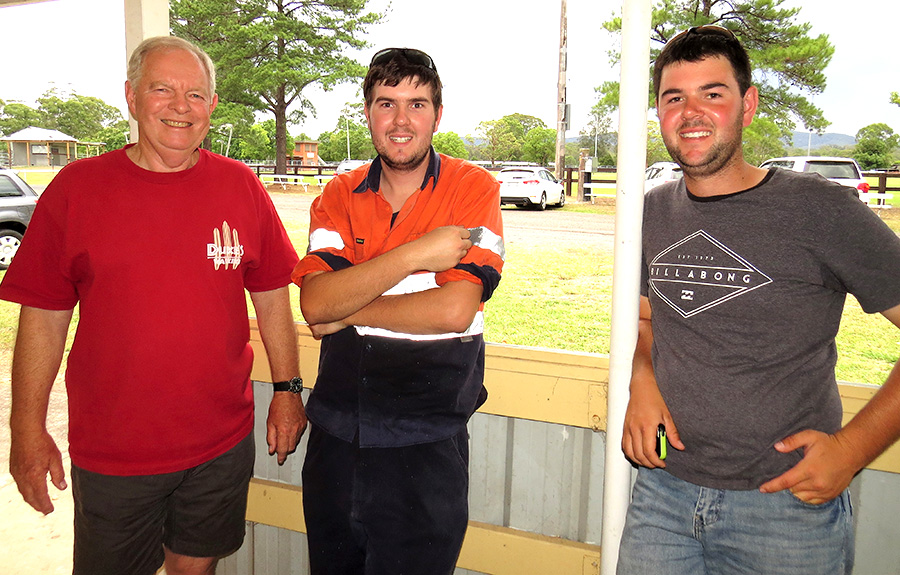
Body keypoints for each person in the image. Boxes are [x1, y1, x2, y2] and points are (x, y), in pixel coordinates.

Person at [0, 36, 307, 575]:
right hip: (116, 452)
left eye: (195, 94)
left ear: (212, 105)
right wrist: (25, 429)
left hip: (220, 443)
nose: (180, 106)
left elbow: (272, 297)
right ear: (132, 97)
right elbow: (44, 318)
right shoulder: (78, 188)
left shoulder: (240, 186)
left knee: (197, 570)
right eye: (162, 89)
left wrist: (286, 390)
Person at [617, 25, 900, 575]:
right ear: (658, 114)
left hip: (785, 508)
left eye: (712, 94)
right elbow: (648, 320)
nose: (691, 112)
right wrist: (642, 378)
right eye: (674, 98)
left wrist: (852, 450)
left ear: (747, 106)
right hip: (663, 497)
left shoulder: (821, 209)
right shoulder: (649, 212)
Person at [291, 47, 505, 575]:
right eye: (386, 104)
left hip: (425, 445)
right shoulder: (339, 193)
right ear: (367, 113)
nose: (402, 120)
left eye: (417, 104)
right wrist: (416, 255)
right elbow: (315, 303)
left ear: (438, 114)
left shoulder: (474, 188)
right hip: (336, 442)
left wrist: (349, 307)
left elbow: (455, 309)